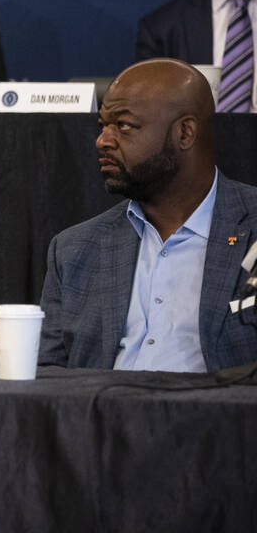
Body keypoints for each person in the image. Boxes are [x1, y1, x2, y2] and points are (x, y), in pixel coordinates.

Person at [39, 59, 257, 372]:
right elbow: (46, 375)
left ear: (185, 133)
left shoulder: (251, 226)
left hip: (217, 417)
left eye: (124, 126)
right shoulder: (74, 250)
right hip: (101, 415)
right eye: (103, 126)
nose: (103, 140)